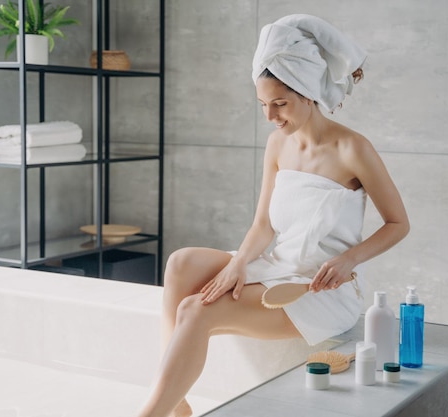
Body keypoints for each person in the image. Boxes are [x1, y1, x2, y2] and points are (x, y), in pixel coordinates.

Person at [136, 14, 409, 417]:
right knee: (180, 264)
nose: (270, 116)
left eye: (279, 104)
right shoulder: (277, 145)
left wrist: (348, 259)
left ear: (308, 91)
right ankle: (176, 403)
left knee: (194, 310)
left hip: (322, 289)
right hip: (278, 265)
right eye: (263, 104)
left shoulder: (354, 149)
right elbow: (263, 224)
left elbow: (398, 224)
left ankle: (151, 413)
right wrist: (239, 264)